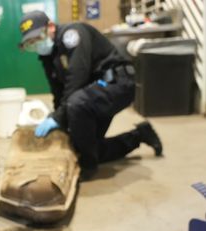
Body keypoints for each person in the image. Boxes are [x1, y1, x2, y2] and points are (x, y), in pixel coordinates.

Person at [19, 11, 163, 180]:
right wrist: (59, 122)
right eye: (31, 43)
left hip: (117, 83)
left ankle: (88, 167)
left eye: (38, 37)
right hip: (93, 93)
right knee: (83, 147)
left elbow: (76, 79)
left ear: (50, 26)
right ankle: (139, 136)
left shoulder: (72, 35)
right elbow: (59, 93)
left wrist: (57, 118)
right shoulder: (48, 57)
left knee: (76, 104)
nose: (37, 44)